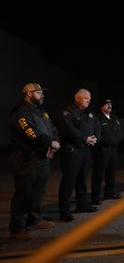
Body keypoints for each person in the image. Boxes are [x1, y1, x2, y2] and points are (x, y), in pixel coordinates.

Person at [9, 83, 60, 241]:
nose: (42, 95)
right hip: (26, 159)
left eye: (41, 92)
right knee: (23, 194)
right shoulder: (20, 113)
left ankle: (35, 219)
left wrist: (55, 141)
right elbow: (30, 133)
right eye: (38, 93)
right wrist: (49, 142)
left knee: (39, 190)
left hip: (42, 157)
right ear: (28, 94)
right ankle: (17, 229)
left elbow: (52, 128)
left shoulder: (41, 111)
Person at [58, 89, 98, 222]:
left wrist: (94, 138)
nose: (89, 100)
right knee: (69, 181)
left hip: (85, 150)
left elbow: (94, 126)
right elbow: (70, 130)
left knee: (82, 178)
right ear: (78, 99)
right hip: (73, 151)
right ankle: (64, 211)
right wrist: (85, 138)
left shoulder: (87, 113)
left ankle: (81, 204)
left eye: (89, 98)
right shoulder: (68, 112)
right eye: (86, 98)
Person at [91, 99, 124, 205]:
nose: (109, 106)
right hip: (103, 150)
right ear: (101, 107)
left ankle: (109, 192)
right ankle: (95, 197)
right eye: (106, 104)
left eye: (110, 104)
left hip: (114, 149)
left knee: (111, 172)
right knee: (99, 174)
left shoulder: (114, 117)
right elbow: (98, 135)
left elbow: (120, 131)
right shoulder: (97, 118)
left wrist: (117, 139)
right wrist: (108, 141)